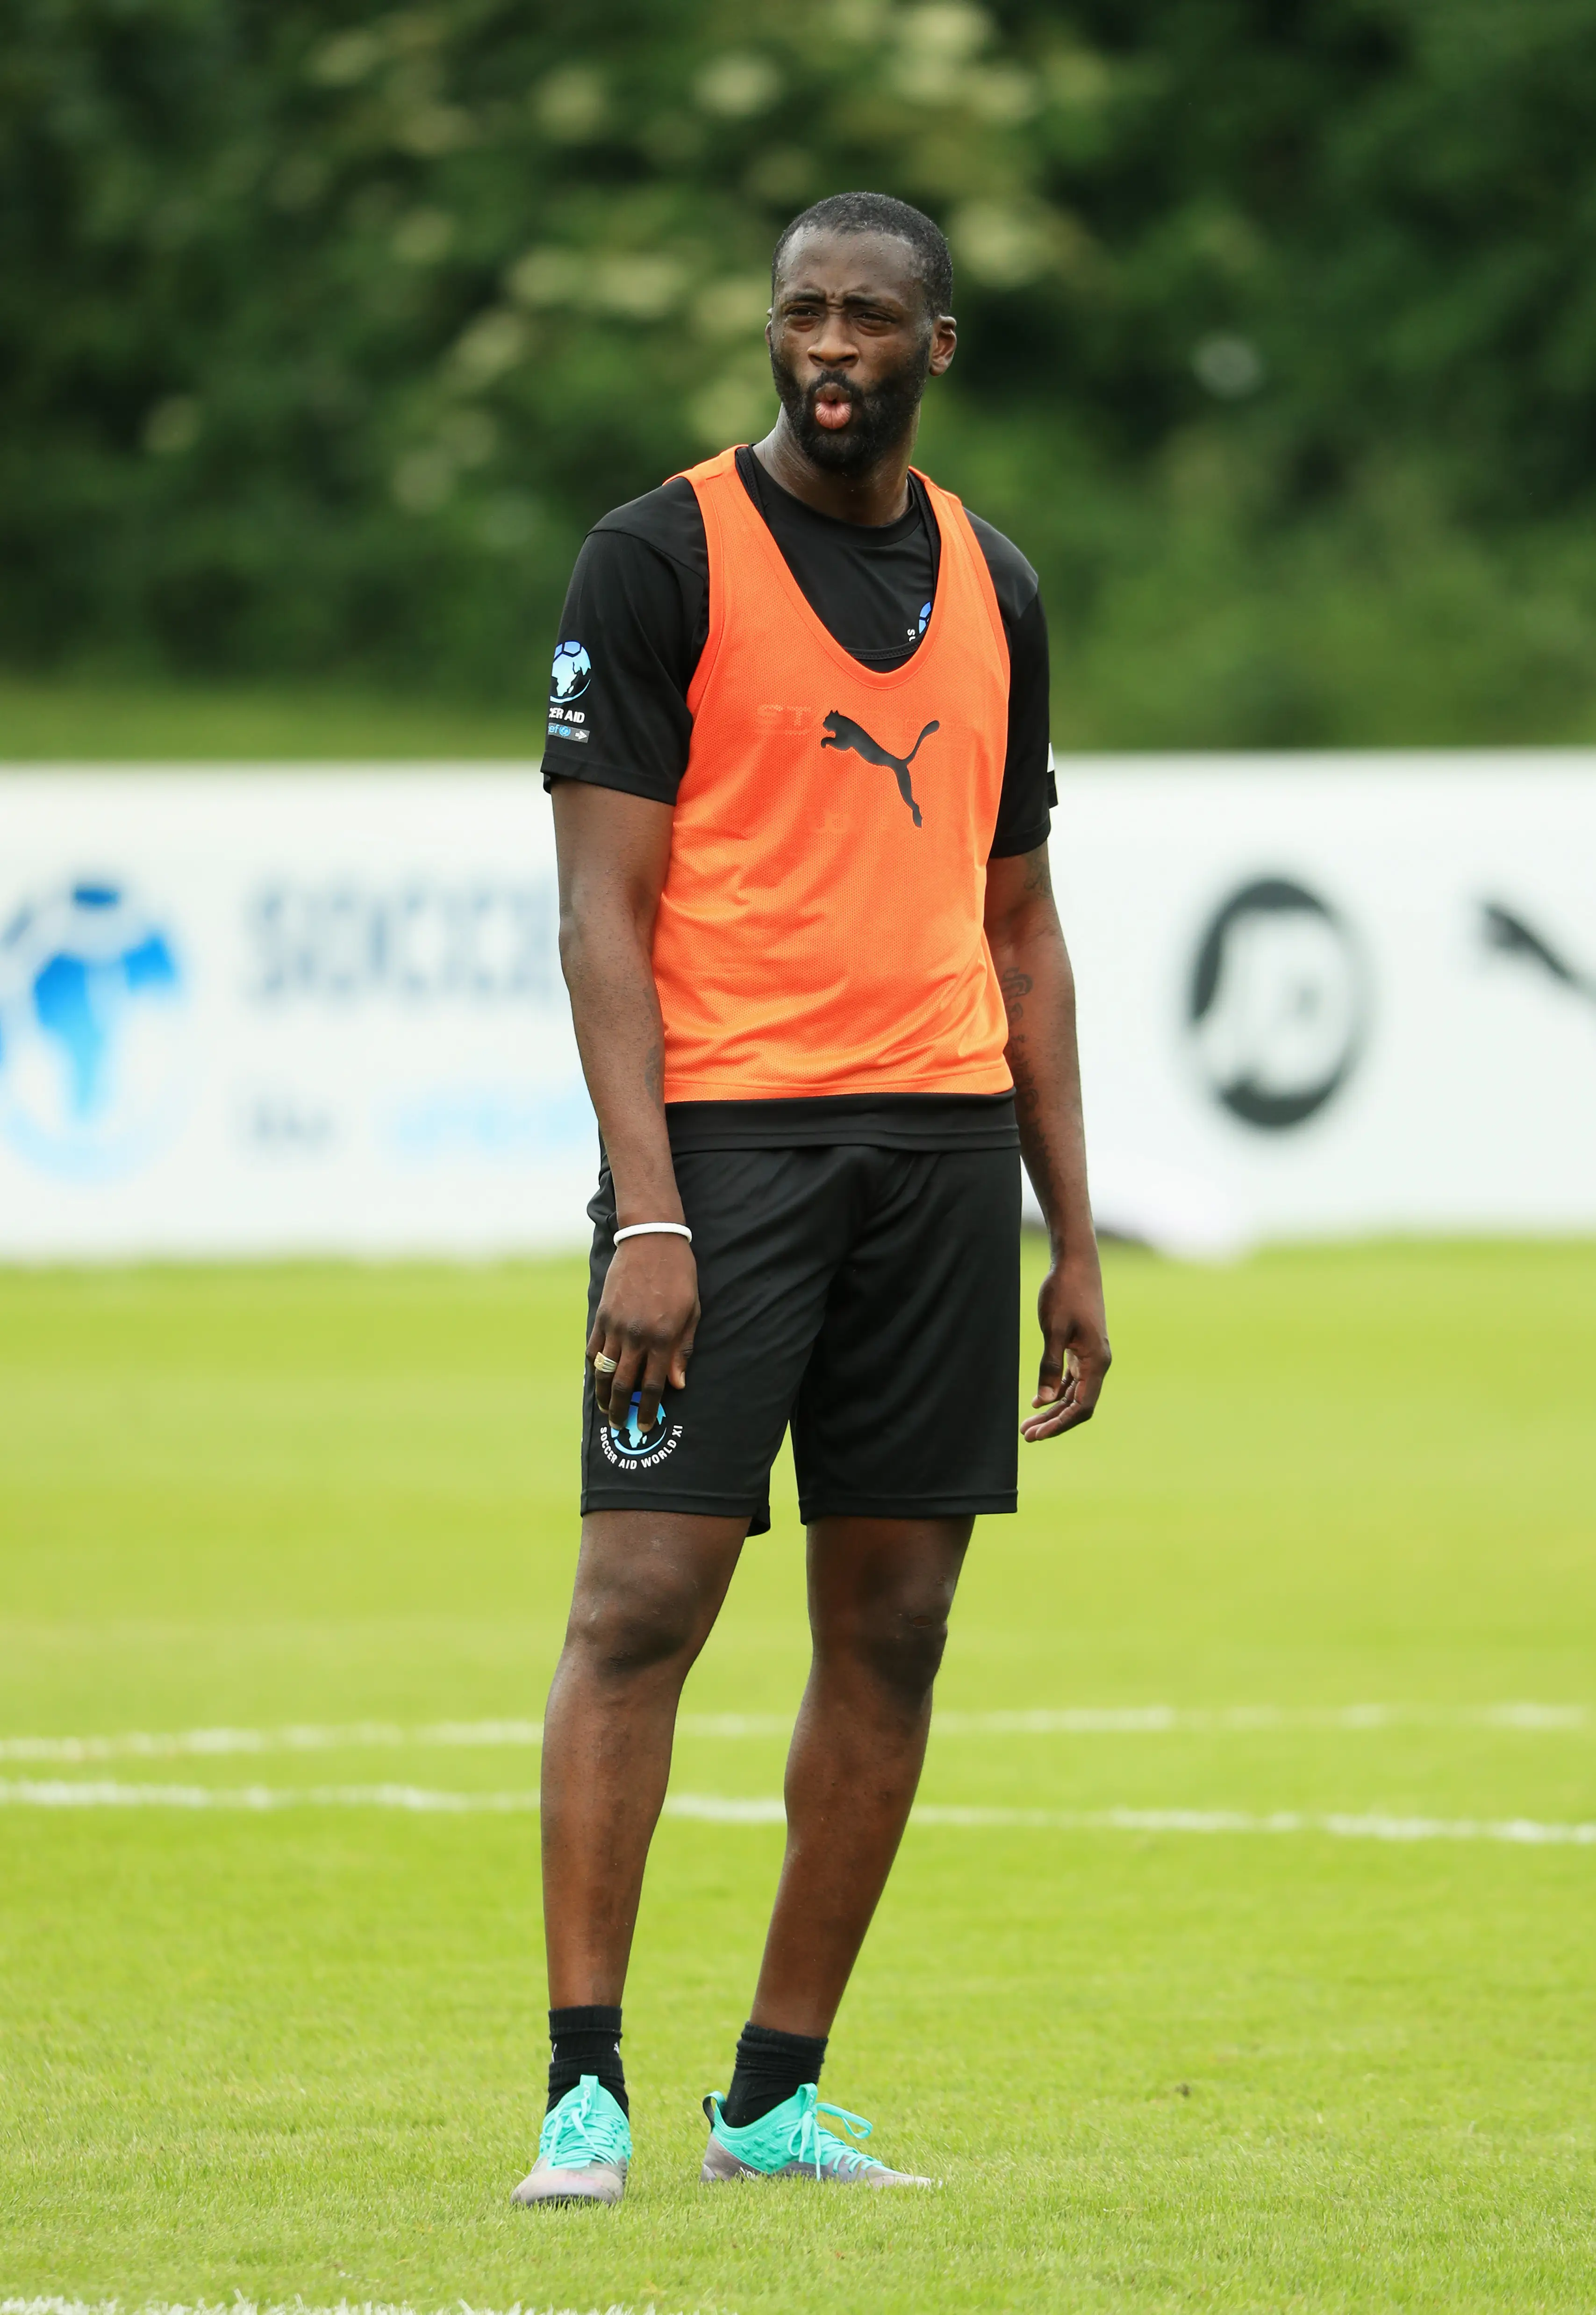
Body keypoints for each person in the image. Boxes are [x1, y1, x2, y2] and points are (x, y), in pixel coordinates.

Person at [514, 190, 1110, 2207]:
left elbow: (1020, 929)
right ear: (769, 330)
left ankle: (771, 2096)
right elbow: (600, 912)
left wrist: (1072, 1234)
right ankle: (582, 2087)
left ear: (936, 345)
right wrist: (652, 1211)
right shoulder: (656, 555)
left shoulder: (998, 583)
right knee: (641, 1600)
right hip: (730, 1151)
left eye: (866, 316)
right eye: (799, 312)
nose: (828, 346)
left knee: (900, 1624)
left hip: (941, 1154)